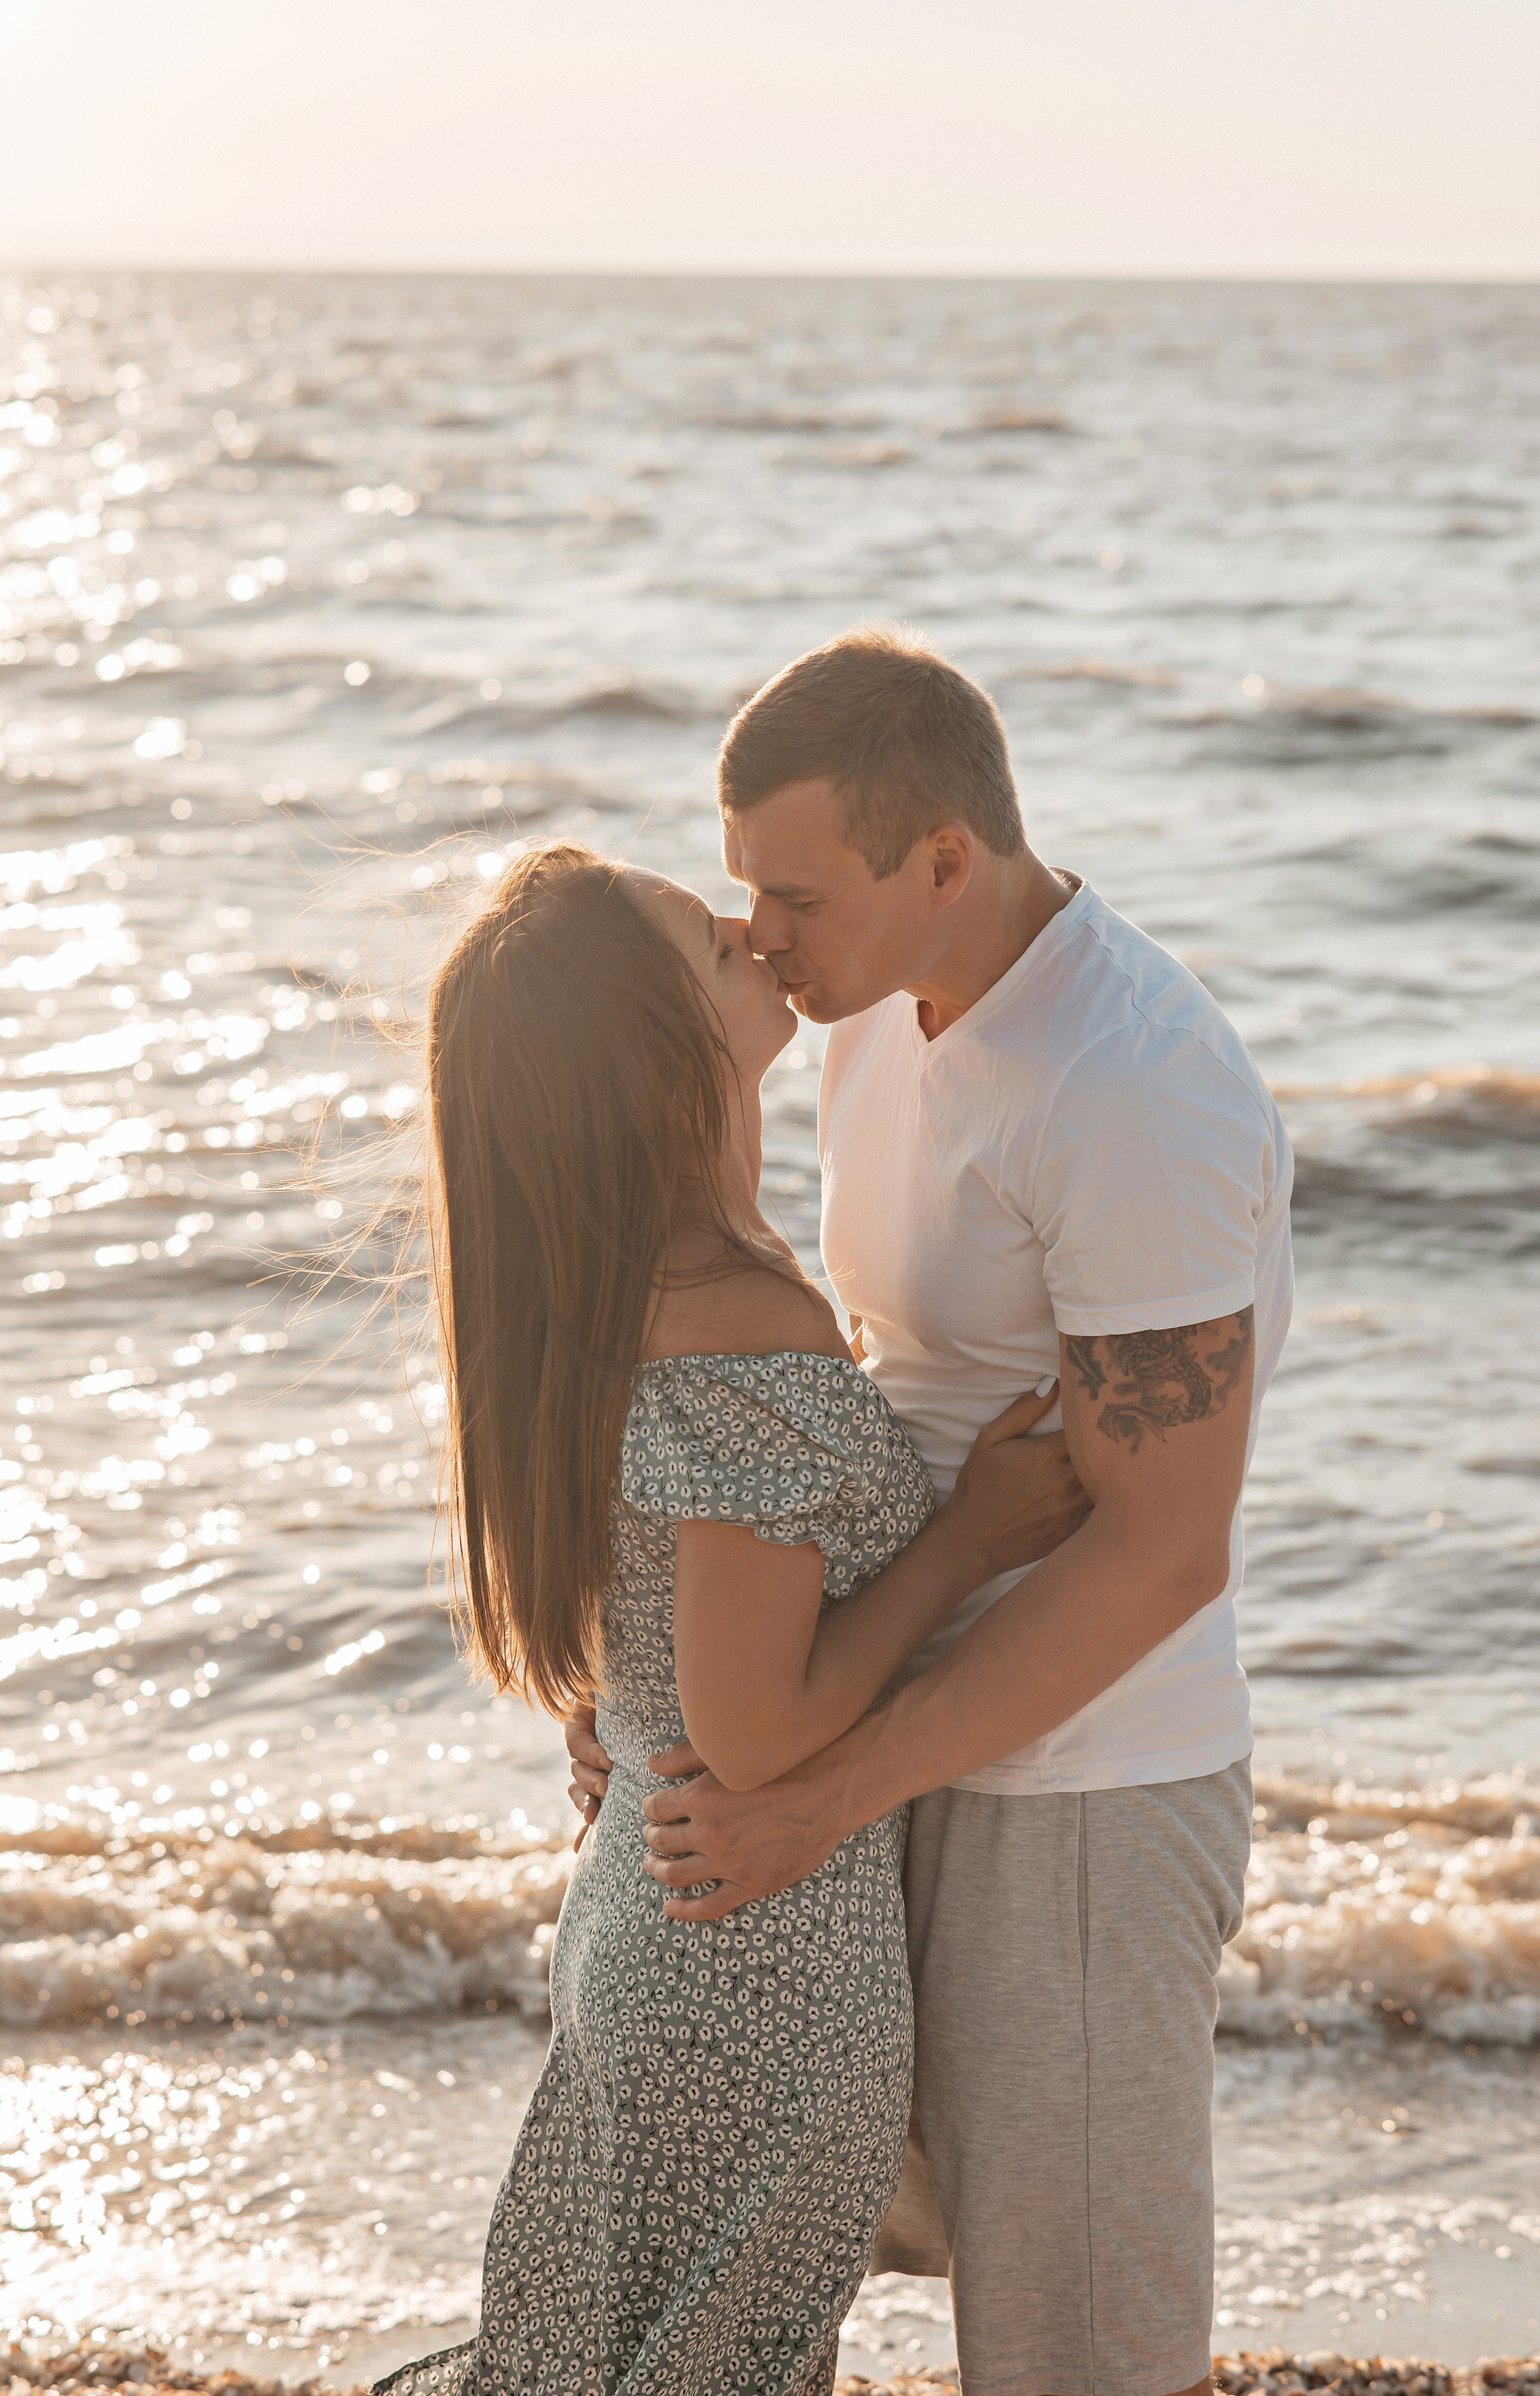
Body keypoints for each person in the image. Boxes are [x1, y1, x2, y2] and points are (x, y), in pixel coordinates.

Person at [566, 627, 1294, 2396]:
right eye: (746, 890)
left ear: (945, 858)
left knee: (1074, 2354)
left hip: (1080, 1800)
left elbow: (1159, 1547)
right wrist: (662, 1685)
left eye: (795, 895)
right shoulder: (871, 1013)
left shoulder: (1136, 1090)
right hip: (877, 1743)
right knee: (759, 2284)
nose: (758, 937)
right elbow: (856, 1394)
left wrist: (818, 1794)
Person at [374, 839, 1086, 2396]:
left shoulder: (617, 1291)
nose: (754, 937)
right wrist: (964, 1541)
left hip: (665, 1925)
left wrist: (622, 1730)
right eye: (709, 939)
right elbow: (757, 1729)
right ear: (654, 1050)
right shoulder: (739, 1320)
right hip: (751, 1967)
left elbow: (660, 1650)